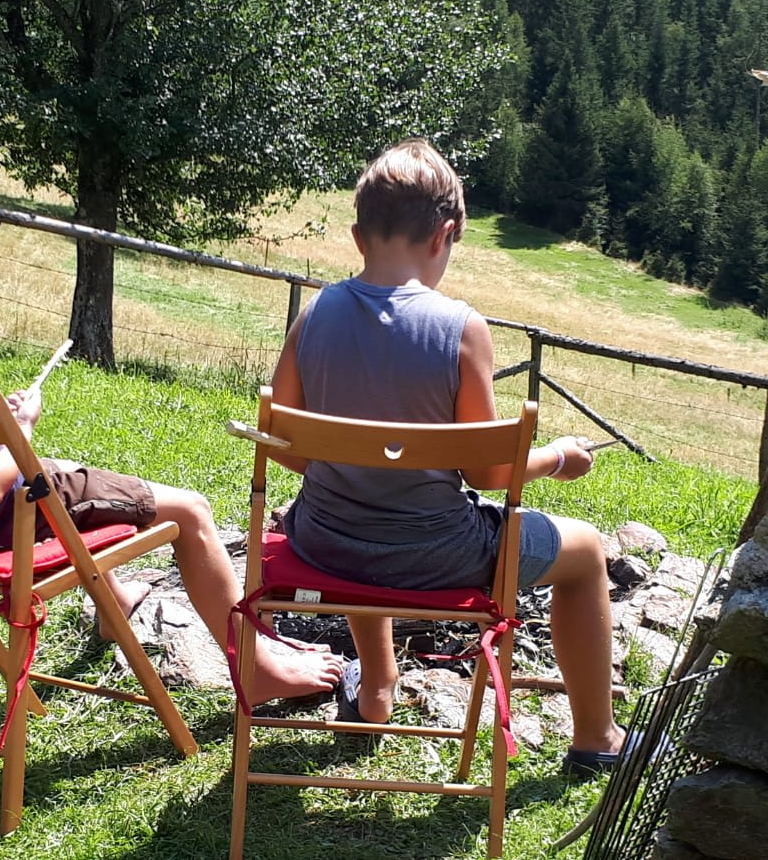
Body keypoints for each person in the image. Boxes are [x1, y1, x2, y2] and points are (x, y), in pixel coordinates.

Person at [0, 187, 343, 705]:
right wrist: (19, 429)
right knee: (191, 510)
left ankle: (116, 602)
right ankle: (257, 669)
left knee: (74, 477)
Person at [268, 139, 627, 778]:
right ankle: (598, 738)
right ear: (445, 234)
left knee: (365, 514)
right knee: (587, 552)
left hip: (326, 543)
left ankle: (375, 690)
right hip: (437, 554)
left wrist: (357, 472)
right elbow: (489, 473)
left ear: (358, 236)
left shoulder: (314, 314)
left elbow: (288, 448)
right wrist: (555, 457)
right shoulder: (461, 329)